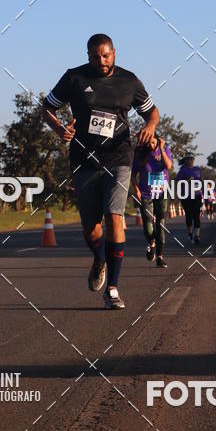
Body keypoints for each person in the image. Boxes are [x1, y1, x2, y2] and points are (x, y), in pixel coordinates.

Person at [42, 33, 159, 310]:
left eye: (105, 55)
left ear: (114, 53)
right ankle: (99, 258)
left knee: (114, 217)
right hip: (84, 160)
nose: (101, 60)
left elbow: (152, 112)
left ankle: (113, 289)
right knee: (91, 229)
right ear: (88, 56)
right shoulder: (74, 78)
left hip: (119, 158)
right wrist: (59, 128)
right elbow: (47, 107)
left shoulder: (130, 81)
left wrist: (150, 127)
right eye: (95, 56)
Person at [132, 136, 173, 268]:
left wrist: (161, 148)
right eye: (148, 142)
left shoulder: (165, 150)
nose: (151, 145)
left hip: (162, 193)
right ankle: (151, 243)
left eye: (153, 142)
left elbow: (169, 166)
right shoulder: (141, 154)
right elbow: (133, 174)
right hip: (146, 194)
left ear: (158, 141)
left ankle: (160, 257)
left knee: (160, 225)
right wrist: (136, 189)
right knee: (148, 227)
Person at [177, 154, 203, 244]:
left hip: (197, 196)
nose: (190, 161)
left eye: (191, 159)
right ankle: (190, 233)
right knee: (189, 215)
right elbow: (178, 182)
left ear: (194, 159)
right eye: (188, 159)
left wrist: (200, 188)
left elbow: (201, 181)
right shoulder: (182, 170)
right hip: (186, 196)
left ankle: (197, 235)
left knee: (196, 215)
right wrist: (187, 181)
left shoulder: (197, 169)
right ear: (185, 160)